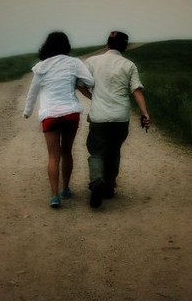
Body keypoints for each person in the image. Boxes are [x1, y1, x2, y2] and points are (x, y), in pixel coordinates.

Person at [23, 31, 94, 208]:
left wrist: (27, 112)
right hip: (71, 113)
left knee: (53, 156)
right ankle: (66, 189)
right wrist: (76, 81)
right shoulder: (74, 62)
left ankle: (54, 196)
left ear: (47, 46)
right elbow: (90, 81)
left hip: (50, 115)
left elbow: (32, 93)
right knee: (66, 152)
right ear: (66, 46)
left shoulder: (41, 67)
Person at [82, 31, 150, 208]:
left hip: (99, 117)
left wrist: (92, 97)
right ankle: (109, 186)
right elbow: (136, 90)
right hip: (121, 117)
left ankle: (97, 181)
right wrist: (145, 113)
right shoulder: (129, 65)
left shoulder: (92, 62)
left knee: (97, 151)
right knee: (114, 151)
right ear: (125, 47)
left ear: (107, 44)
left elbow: (79, 84)